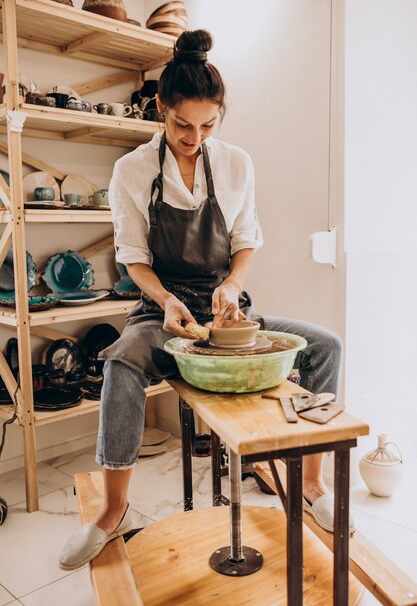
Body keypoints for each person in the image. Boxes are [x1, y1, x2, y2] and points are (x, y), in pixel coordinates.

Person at [59, 29, 352, 571]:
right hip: (161, 310)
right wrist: (167, 300)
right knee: (121, 360)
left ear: (220, 116)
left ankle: (310, 485)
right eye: (181, 124)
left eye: (208, 125)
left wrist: (232, 287)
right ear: (161, 110)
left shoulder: (237, 163)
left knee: (326, 346)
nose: (194, 137)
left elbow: (245, 244)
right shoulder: (131, 171)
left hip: (225, 312)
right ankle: (112, 511)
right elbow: (132, 258)